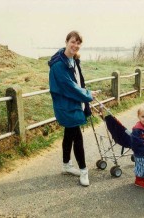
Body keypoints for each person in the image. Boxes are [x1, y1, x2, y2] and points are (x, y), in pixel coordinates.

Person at [48, 31, 100, 187]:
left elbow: (78, 82)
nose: (75, 45)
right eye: (73, 42)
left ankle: (66, 165)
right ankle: (84, 171)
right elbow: (69, 87)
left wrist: (86, 92)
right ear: (66, 42)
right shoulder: (58, 65)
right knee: (77, 136)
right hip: (66, 105)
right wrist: (88, 94)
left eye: (78, 43)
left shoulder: (73, 60)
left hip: (73, 103)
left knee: (69, 134)